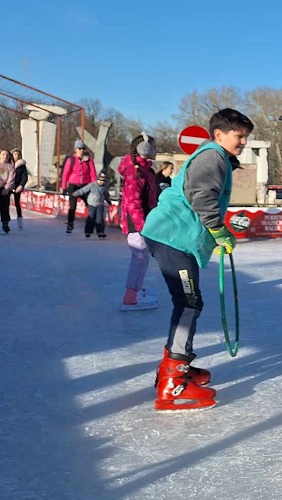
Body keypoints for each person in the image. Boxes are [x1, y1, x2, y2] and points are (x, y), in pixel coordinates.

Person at [142, 108, 254, 411]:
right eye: (238, 136)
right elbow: (201, 197)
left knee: (190, 302)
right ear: (218, 134)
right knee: (189, 303)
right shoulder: (213, 156)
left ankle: (174, 366)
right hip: (171, 236)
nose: (243, 142)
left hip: (177, 237)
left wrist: (218, 232)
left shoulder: (217, 157)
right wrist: (218, 231)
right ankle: (173, 382)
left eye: (245, 137)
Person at [118, 136, 160, 311]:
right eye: (154, 147)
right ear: (146, 149)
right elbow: (132, 201)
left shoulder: (144, 169)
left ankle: (135, 291)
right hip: (137, 222)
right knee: (139, 257)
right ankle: (131, 298)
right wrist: (142, 226)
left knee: (142, 258)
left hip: (143, 220)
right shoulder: (135, 171)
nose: (157, 150)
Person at [61, 140, 96, 234]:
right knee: (72, 206)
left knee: (91, 205)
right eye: (79, 149)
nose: (81, 151)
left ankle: (92, 225)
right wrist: (64, 187)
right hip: (74, 185)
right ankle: (70, 223)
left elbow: (93, 173)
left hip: (86, 185)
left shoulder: (89, 160)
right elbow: (65, 174)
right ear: (75, 149)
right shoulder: (71, 160)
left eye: (83, 149)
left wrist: (94, 185)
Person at [71, 171, 112, 238]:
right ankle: (88, 231)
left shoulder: (104, 187)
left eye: (103, 180)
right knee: (91, 217)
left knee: (100, 218)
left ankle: (100, 232)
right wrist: (75, 194)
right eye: (99, 180)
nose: (101, 182)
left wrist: (108, 200)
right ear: (97, 179)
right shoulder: (92, 185)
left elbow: (106, 195)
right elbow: (83, 190)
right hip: (92, 204)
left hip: (100, 204)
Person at [10, 149, 28, 230]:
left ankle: (20, 219)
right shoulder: (8, 164)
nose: (16, 156)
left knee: (17, 203)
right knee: (4, 203)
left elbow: (25, 177)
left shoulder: (22, 166)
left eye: (17, 154)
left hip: (17, 187)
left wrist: (21, 186)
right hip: (8, 186)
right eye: (14, 154)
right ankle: (5, 220)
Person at [0, 149, 14, 234]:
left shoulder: (10, 167)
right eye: (3, 154)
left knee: (4, 207)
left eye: (7, 155)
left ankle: (5, 224)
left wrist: (7, 188)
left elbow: (11, 178)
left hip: (4, 189)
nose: (5, 156)